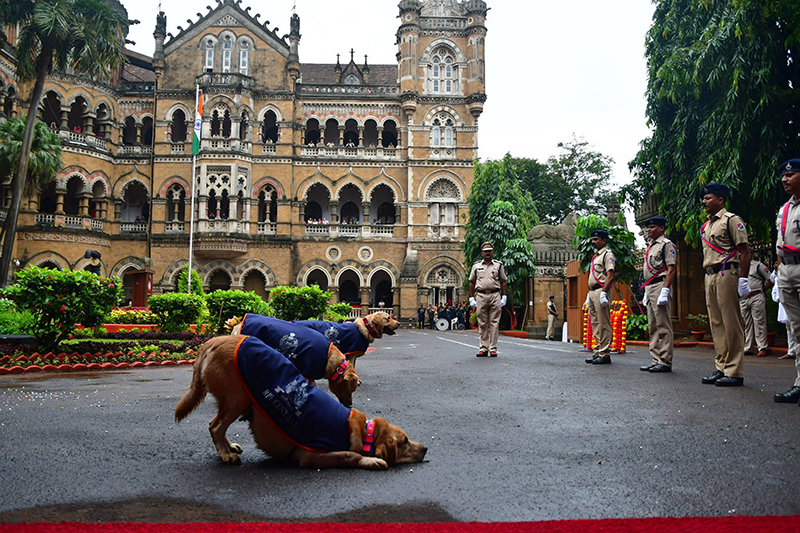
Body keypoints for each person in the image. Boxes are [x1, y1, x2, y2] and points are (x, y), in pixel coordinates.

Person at [699, 183, 751, 387]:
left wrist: (744, 279)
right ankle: (721, 367)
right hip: (710, 274)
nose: (704, 201)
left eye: (708, 198)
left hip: (726, 272)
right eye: (704, 198)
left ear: (720, 200)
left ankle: (735, 370)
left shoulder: (731, 220)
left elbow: (745, 251)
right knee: (717, 323)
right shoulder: (707, 225)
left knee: (731, 322)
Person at [773, 159, 800, 404]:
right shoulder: (784, 209)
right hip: (787, 268)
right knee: (796, 329)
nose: (785, 179)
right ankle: (799, 383)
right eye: (784, 175)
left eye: (790, 174)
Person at [639, 216, 677, 373]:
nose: (649, 230)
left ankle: (665, 360)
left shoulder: (666, 245)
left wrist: (666, 290)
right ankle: (656, 359)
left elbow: (671, 269)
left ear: (661, 228)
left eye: (652, 227)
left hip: (661, 285)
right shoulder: (650, 246)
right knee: (652, 326)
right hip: (650, 287)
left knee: (663, 325)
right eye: (648, 227)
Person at [469, 242, 508, 357]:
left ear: (493, 252)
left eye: (490, 251)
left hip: (495, 294)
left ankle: (493, 348)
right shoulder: (476, 266)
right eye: (485, 251)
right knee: (482, 322)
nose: (487, 253)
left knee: (494, 323)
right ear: (482, 253)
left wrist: (504, 297)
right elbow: (471, 282)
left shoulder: (498, 265)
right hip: (480, 295)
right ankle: (483, 347)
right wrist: (471, 298)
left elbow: (503, 281)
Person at [584, 229, 616, 364]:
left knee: (603, 323)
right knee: (595, 323)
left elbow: (610, 275)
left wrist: (604, 292)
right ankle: (598, 351)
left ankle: (605, 353)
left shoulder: (607, 255)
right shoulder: (595, 256)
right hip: (592, 292)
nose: (593, 242)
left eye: (596, 239)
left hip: (601, 291)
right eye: (593, 239)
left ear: (604, 240)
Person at [740, 256, 772, 357]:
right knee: (746, 323)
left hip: (756, 295)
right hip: (743, 299)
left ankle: (762, 347)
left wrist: (763, 290)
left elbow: (771, 279)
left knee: (759, 322)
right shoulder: (737, 266)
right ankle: (748, 347)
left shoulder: (758, 266)